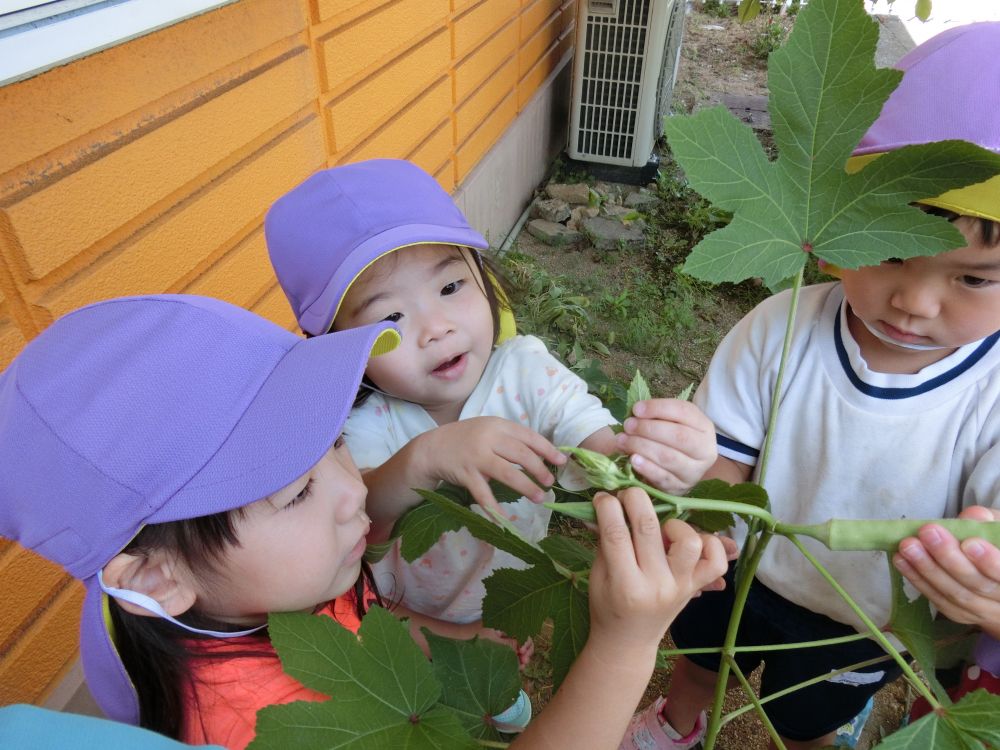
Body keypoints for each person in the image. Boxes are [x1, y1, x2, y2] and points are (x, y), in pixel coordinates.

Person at [0, 294, 729, 750]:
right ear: (158, 578)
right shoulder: (259, 731)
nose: (354, 492)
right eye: (294, 493)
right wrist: (624, 646)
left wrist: (456, 638)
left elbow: (365, 625)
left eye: (337, 443)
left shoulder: (284, 585)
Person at [628, 22, 1000, 750]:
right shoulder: (780, 327)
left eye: (974, 279)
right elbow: (724, 461)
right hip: (734, 570)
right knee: (699, 658)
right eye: (890, 250)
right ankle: (677, 722)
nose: (915, 303)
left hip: (865, 622)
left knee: (803, 724)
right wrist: (696, 507)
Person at [264, 158, 719, 640]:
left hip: (508, 592)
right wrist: (426, 458)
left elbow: (598, 448)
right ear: (340, 350)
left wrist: (660, 458)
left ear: (484, 278)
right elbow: (364, 519)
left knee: (500, 694)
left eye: (450, 286)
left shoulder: (526, 371)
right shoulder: (366, 424)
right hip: (412, 614)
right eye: (390, 317)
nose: (437, 328)